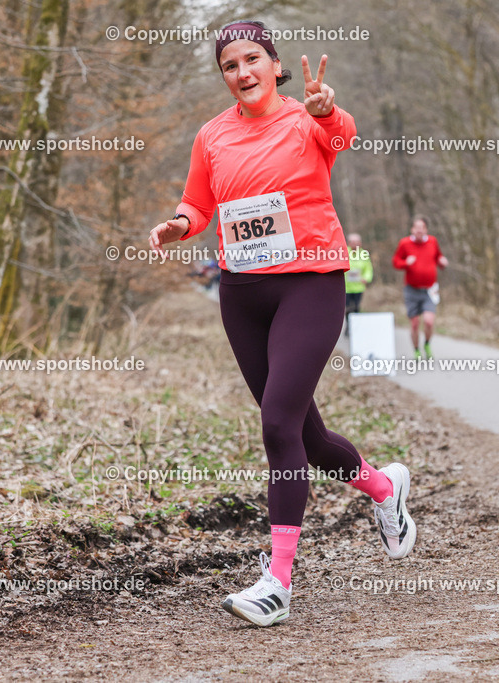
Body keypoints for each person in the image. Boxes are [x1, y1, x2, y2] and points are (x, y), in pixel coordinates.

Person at [147, 21, 416, 627]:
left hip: (311, 283)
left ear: (274, 64)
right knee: (306, 437)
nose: (242, 73)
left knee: (275, 424)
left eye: (252, 60)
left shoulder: (306, 119)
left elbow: (341, 134)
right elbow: (198, 202)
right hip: (240, 291)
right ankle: (383, 489)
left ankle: (278, 582)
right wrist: (178, 226)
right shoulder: (211, 135)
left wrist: (327, 110)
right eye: (229, 66)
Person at [392, 216, 448, 359]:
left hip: (430, 290)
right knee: (415, 323)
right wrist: (406, 263)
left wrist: (442, 262)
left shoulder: (432, 241)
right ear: (412, 229)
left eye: (422, 228)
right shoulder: (404, 243)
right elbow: (396, 262)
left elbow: (438, 258)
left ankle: (427, 344)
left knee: (429, 321)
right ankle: (416, 350)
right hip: (411, 289)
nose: (419, 230)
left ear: (426, 229)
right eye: (416, 228)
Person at [343, 232, 373, 335]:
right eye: (353, 242)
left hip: (359, 287)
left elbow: (368, 269)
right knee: (347, 308)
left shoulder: (364, 254)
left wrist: (366, 278)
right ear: (349, 242)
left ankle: (355, 327)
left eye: (357, 242)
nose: (355, 244)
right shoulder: (343, 252)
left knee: (356, 307)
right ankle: (348, 325)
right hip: (346, 287)